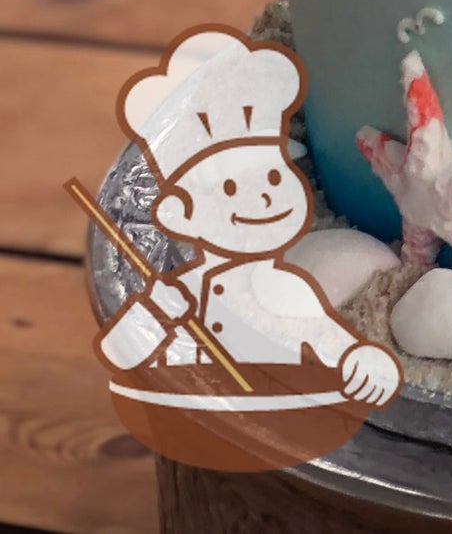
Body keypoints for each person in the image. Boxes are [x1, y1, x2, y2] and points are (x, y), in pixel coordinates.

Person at [96, 29, 399, 406]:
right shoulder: (184, 285)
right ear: (182, 217)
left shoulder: (292, 284)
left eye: (275, 178)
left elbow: (327, 336)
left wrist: (360, 357)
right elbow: (121, 343)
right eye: (230, 190)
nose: (265, 198)